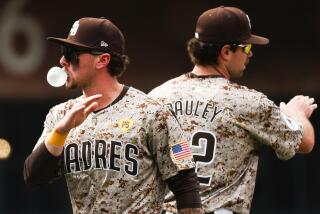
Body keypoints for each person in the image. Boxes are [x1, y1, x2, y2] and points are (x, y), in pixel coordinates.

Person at [23, 17, 203, 214]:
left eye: (71, 53)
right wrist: (61, 131)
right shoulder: (60, 116)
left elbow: (186, 184)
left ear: (103, 59)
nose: (62, 61)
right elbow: (33, 177)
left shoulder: (152, 112)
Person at [148, 6, 317, 214]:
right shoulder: (247, 102)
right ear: (226, 51)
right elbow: (304, 142)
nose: (251, 53)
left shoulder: (157, 96)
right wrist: (296, 112)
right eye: (245, 48)